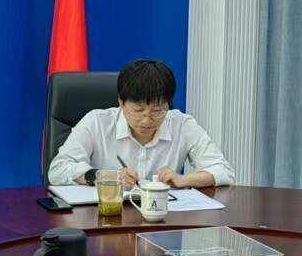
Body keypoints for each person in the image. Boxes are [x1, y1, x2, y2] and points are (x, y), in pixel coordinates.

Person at [47, 58, 234, 191]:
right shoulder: (96, 122)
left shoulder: (182, 125)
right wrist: (105, 176)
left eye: (157, 111)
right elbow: (57, 170)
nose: (147, 120)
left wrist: (183, 180)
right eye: (138, 110)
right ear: (121, 102)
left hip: (162, 222)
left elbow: (223, 171)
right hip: (105, 216)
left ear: (168, 105)